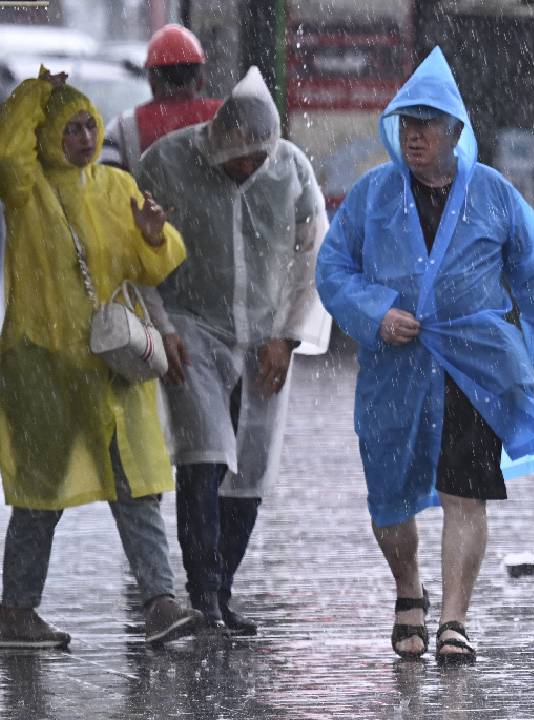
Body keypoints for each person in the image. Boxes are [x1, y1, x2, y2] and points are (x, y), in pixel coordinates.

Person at [316, 48, 534, 664]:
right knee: (390, 495)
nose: (414, 134)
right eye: (406, 122)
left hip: (474, 366)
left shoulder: (492, 194)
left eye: (428, 122)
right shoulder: (373, 195)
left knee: (467, 491)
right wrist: (376, 313)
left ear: (455, 132)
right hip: (394, 371)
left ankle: (454, 620)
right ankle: (408, 590)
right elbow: (333, 267)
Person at [0, 68, 204, 648]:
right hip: (44, 367)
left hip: (114, 364)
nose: (86, 136)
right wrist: (34, 95)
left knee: (136, 487)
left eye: (91, 123)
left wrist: (152, 236)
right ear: (47, 136)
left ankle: (161, 604)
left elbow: (154, 268)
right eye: (71, 128)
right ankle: (14, 611)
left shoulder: (115, 187)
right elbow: (6, 150)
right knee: (42, 494)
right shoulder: (27, 189)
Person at [134, 67, 331, 635]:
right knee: (203, 457)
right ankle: (204, 593)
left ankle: (223, 585)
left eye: (257, 157)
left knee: (250, 470)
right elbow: (136, 255)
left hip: (265, 334)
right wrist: (162, 326)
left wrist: (287, 338)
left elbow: (311, 255)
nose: (249, 167)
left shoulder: (290, 168)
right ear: (219, 141)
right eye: (240, 156)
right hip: (193, 326)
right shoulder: (166, 163)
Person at [101, 23, 221, 173]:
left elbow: (107, 186)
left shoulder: (121, 128)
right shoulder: (224, 115)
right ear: (200, 80)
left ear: (151, 80)